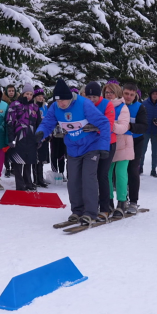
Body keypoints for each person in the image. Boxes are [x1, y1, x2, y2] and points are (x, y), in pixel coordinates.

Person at [35, 80, 111, 225]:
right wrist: (40, 133)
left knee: (88, 179)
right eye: (58, 101)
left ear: (70, 97)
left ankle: (90, 212)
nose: (61, 104)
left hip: (91, 146)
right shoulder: (55, 107)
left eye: (63, 100)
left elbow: (104, 123)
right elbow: (48, 123)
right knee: (73, 181)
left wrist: (104, 146)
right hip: (72, 148)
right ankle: (77, 211)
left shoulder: (84, 104)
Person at [86, 81, 117, 217]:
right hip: (90, 143)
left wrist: (92, 128)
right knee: (90, 175)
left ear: (100, 96)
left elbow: (108, 126)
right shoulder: (85, 104)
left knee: (102, 174)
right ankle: (91, 205)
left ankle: (105, 207)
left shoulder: (107, 104)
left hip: (107, 143)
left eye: (94, 97)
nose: (92, 100)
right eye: (89, 97)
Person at [6, 83, 42, 191]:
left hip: (31, 137)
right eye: (27, 93)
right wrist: (11, 138)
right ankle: (20, 185)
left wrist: (39, 138)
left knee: (29, 161)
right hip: (19, 137)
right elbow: (9, 122)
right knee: (18, 162)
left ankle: (29, 183)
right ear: (22, 93)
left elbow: (39, 124)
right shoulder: (15, 105)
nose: (29, 96)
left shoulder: (35, 107)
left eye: (31, 94)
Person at [106, 83, 132, 216]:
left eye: (111, 92)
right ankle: (108, 201)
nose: (109, 94)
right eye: (107, 92)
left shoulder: (123, 108)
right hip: (109, 143)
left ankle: (122, 201)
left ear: (117, 93)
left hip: (123, 143)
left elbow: (123, 127)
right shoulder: (103, 106)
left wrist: (109, 125)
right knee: (107, 173)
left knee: (120, 172)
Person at [123, 83, 148, 214]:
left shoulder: (139, 107)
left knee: (132, 170)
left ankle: (133, 202)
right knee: (119, 172)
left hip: (135, 141)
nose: (128, 97)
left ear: (135, 96)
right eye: (126, 93)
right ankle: (121, 200)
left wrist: (130, 127)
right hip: (119, 141)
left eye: (131, 95)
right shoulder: (117, 106)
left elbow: (144, 126)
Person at [141, 88, 157, 177]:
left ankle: (153, 169)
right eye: (153, 94)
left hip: (156, 131)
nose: (155, 96)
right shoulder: (144, 104)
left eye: (156, 94)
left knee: (155, 152)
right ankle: (140, 167)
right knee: (142, 150)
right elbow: (141, 116)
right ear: (150, 95)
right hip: (146, 131)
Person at [32, 88, 50, 188]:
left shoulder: (45, 107)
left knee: (42, 158)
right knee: (36, 158)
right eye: (38, 96)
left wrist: (47, 135)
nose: (40, 98)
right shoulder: (33, 107)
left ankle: (40, 178)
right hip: (35, 134)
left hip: (44, 135)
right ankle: (35, 179)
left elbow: (48, 121)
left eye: (41, 96)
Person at [3, 84, 18, 178]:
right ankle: (7, 167)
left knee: (14, 147)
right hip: (6, 127)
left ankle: (13, 167)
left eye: (12, 91)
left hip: (16, 128)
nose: (11, 93)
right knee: (6, 149)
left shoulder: (18, 101)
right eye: (9, 91)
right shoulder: (3, 102)